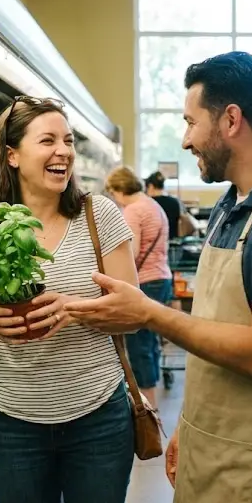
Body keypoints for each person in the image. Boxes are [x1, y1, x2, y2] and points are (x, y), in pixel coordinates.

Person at [60, 52, 252, 503]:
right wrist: (190, 429)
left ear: (231, 120)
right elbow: (212, 328)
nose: (186, 139)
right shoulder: (232, 204)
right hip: (217, 444)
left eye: (192, 122)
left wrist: (149, 312)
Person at [0, 96, 139, 503]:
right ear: (13, 155)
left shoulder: (98, 215)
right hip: (14, 426)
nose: (64, 151)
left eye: (68, 141)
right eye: (48, 140)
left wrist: (74, 308)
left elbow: (134, 315)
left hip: (99, 420)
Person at [105, 166, 172, 409]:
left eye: (113, 192)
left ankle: (147, 406)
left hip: (144, 283)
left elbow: (130, 253)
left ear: (120, 189)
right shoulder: (154, 205)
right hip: (162, 278)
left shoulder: (133, 211)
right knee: (150, 344)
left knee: (139, 347)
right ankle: (151, 395)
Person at [144, 171, 192, 239]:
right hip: (173, 243)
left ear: (150, 186)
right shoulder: (175, 202)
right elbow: (189, 224)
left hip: (154, 244)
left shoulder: (147, 204)